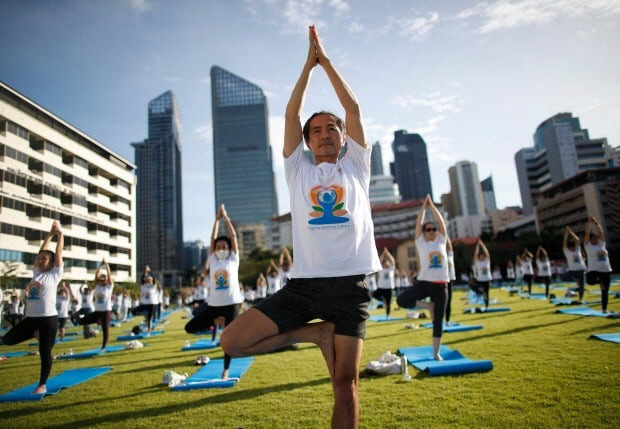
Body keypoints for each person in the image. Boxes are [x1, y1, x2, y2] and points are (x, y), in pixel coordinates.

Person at [220, 26, 381, 428]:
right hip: (304, 286)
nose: (324, 134)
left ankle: (322, 335)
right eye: (316, 131)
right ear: (307, 142)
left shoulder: (357, 167)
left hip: (350, 288)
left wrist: (326, 61)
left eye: (332, 128)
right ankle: (312, 334)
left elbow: (355, 108)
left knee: (346, 385)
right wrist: (306, 68)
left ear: (344, 136)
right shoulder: (298, 171)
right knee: (232, 342)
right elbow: (291, 114)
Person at [0, 221, 63, 394]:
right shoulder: (37, 273)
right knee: (7, 340)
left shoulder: (55, 274)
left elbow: (57, 252)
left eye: (45, 258)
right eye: (39, 258)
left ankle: (42, 385)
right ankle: (35, 334)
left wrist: (60, 235)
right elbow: (42, 250)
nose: (41, 259)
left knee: (44, 352)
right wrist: (49, 235)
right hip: (31, 319)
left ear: (51, 263)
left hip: (48, 320)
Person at [185, 204, 243, 379]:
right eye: (218, 246)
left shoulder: (233, 259)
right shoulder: (213, 260)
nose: (221, 248)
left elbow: (232, 236)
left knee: (229, 340)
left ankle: (226, 370)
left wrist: (226, 218)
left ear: (229, 248)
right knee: (190, 327)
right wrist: (216, 220)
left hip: (231, 303)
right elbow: (212, 238)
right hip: (214, 305)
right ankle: (218, 322)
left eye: (224, 246)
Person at [397, 194, 449, 361]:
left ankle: (436, 353)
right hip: (425, 283)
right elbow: (419, 224)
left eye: (433, 229)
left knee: (438, 321)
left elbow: (441, 223)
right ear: (424, 233)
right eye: (428, 230)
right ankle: (428, 305)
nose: (432, 231)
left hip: (442, 286)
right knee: (401, 300)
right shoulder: (421, 243)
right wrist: (423, 208)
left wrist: (432, 206)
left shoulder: (441, 240)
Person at [78, 259, 114, 350]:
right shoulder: (97, 286)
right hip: (97, 311)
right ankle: (98, 322)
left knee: (105, 329)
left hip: (106, 311)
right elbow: (96, 276)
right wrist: (99, 266)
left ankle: (103, 347)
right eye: (101, 280)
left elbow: (109, 275)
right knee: (82, 321)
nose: (102, 281)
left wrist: (106, 264)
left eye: (103, 279)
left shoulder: (109, 287)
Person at [584, 216, 613, 313]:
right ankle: (599, 282)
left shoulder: (601, 244)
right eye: (594, 238)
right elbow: (587, 233)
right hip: (594, 270)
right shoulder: (588, 246)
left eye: (597, 237)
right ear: (591, 239)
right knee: (589, 280)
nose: (596, 238)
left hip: (606, 270)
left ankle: (604, 309)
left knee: (605, 291)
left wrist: (596, 223)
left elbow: (601, 232)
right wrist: (589, 223)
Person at [563, 227, 586, 302]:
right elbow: (564, 243)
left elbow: (578, 240)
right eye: (571, 247)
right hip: (572, 271)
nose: (572, 248)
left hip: (581, 269)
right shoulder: (567, 252)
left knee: (582, 286)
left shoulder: (578, 250)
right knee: (565, 279)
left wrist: (571, 232)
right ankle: (575, 282)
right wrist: (566, 234)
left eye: (573, 247)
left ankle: (580, 299)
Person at [373, 248, 396, 318]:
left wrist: (388, 253)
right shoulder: (381, 269)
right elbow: (379, 261)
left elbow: (392, 260)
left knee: (388, 303)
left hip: (389, 288)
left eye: (387, 262)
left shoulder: (391, 269)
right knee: (374, 295)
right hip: (381, 287)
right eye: (385, 262)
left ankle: (387, 315)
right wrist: (383, 254)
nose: (387, 263)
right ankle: (383, 300)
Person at [473, 239, 492, 309]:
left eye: (483, 256)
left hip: (487, 280)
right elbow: (475, 255)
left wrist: (482, 245)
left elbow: (487, 253)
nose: (482, 257)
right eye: (480, 256)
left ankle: (486, 304)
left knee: (486, 293)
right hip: (480, 280)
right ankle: (480, 295)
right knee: (481, 291)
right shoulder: (478, 263)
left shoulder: (487, 261)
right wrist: (477, 246)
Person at [445, 237, 456, 324]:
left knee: (449, 300)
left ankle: (447, 320)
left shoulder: (450, 255)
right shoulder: (439, 255)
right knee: (442, 301)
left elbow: (450, 246)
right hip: (442, 280)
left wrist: (446, 235)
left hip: (450, 279)